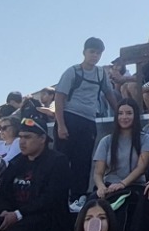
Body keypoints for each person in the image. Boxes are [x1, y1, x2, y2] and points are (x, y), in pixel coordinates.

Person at [54, 38, 126, 208]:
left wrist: (120, 113)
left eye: (98, 53)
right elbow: (59, 98)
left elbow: (109, 94)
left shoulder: (101, 74)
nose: (95, 56)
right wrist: (61, 125)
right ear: (84, 52)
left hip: (88, 121)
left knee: (84, 160)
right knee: (62, 160)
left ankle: (77, 197)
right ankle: (59, 197)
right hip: (69, 117)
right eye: (92, 52)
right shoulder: (72, 71)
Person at [91, 102, 149, 209]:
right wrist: (101, 187)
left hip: (134, 185)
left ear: (135, 116)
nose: (124, 117)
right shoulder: (106, 141)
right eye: (120, 113)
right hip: (108, 185)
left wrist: (122, 184)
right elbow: (98, 173)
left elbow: (141, 168)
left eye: (128, 113)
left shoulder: (146, 139)